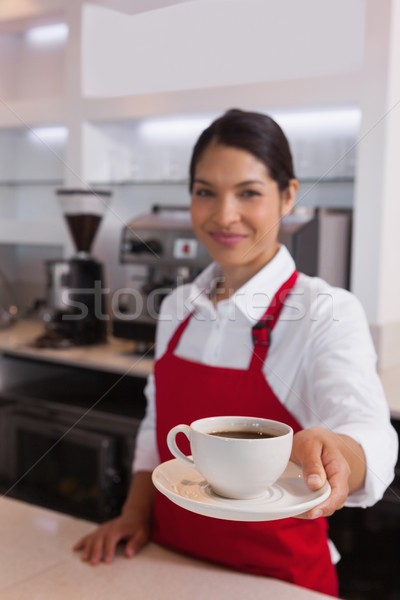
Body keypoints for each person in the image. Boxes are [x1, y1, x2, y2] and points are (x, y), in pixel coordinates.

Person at [74, 109, 398, 596]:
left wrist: (338, 457)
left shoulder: (324, 311)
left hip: (278, 581)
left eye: (248, 192)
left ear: (289, 195)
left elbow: (369, 431)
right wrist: (134, 514)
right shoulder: (178, 307)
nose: (223, 215)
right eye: (206, 191)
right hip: (168, 566)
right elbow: (156, 424)